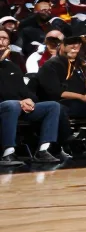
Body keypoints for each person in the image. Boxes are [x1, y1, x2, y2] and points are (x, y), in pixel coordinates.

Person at [36, 35, 86, 157]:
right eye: (71, 45)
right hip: (61, 104)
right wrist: (81, 97)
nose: (74, 48)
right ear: (62, 46)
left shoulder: (77, 65)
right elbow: (57, 92)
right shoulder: (50, 65)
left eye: (77, 46)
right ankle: (67, 143)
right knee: (57, 107)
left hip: (78, 104)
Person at [0, 29, 63, 165]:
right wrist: (19, 102)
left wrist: (30, 100)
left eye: (4, 38)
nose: (1, 41)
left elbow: (24, 90)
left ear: (9, 43)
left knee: (53, 106)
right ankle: (8, 153)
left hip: (18, 107)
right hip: (6, 106)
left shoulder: (12, 66)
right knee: (11, 104)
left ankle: (43, 151)